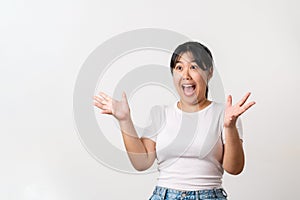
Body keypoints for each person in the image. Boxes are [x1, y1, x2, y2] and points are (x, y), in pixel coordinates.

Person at [93, 41, 255, 200]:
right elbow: (142, 163)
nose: (185, 75)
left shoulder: (225, 114)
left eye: (193, 67)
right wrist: (124, 120)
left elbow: (234, 168)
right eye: (179, 67)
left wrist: (230, 127)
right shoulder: (160, 113)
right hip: (163, 195)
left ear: (210, 72)